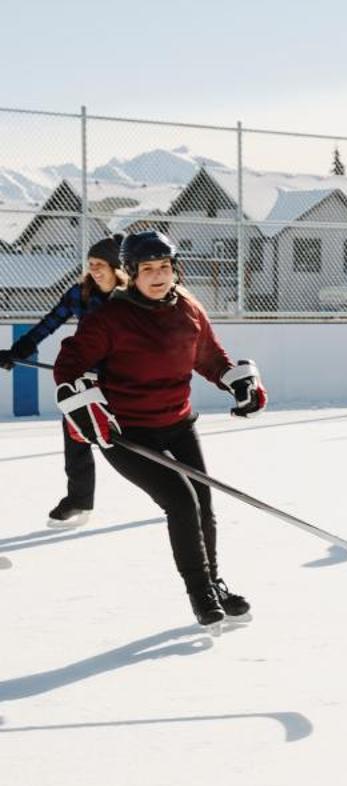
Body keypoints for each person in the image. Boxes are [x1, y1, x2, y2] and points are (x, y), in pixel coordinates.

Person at [51, 230, 268, 633]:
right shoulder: (109, 318)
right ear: (130, 273)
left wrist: (235, 382)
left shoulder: (188, 307)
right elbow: (69, 367)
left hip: (178, 424)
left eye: (164, 267)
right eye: (147, 269)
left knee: (202, 503)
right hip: (127, 434)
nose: (158, 276)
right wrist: (86, 408)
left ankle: (214, 583)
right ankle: (200, 594)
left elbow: (209, 356)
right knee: (181, 502)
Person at [0, 236, 126, 526]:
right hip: (84, 379)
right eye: (90, 264)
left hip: (123, 380)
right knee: (76, 437)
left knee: (137, 442)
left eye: (100, 265)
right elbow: (49, 323)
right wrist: (18, 351)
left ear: (116, 267)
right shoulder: (79, 295)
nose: (93, 270)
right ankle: (80, 500)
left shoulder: (129, 298)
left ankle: (179, 486)